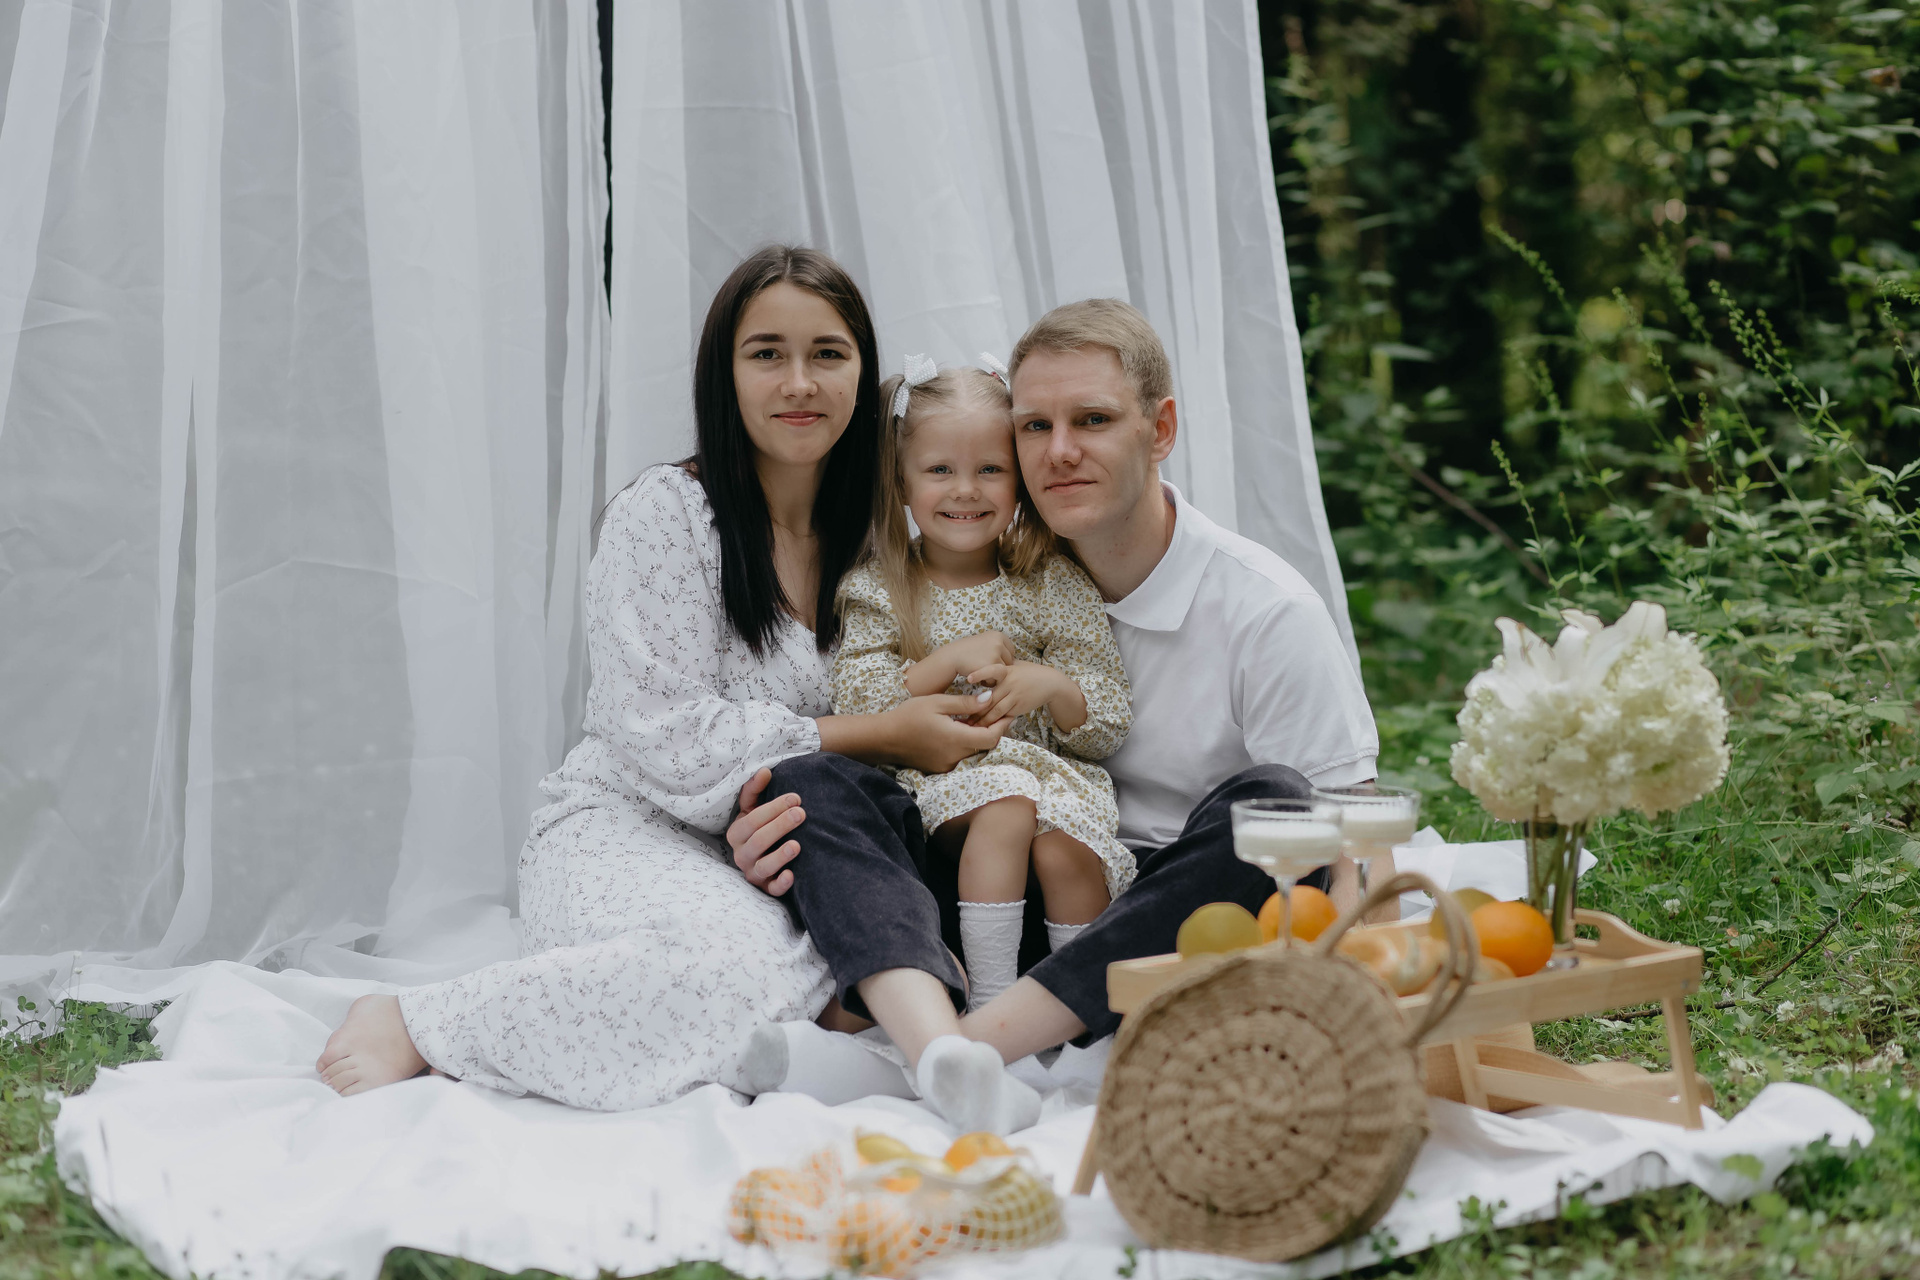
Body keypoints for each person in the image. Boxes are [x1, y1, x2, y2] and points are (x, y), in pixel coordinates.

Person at [314, 246, 1006, 1109]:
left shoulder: (884, 540)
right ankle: (424, 1021)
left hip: (797, 851)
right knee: (725, 971)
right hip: (630, 825)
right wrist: (875, 738)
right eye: (767, 354)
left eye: (828, 354)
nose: (799, 382)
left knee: (874, 953)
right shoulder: (666, 517)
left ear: (863, 374)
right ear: (725, 374)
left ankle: (816, 1053)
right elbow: (665, 736)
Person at [731, 298, 1378, 1120]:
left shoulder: (1266, 610)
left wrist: (1368, 1002)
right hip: (984, 888)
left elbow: (1354, 845)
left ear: (1160, 430)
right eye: (1035, 427)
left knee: (1284, 807)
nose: (1060, 452)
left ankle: (942, 1057)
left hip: (1156, 918)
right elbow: (871, 713)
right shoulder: (985, 564)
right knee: (813, 779)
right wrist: (781, 824)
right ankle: (955, 1046)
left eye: (1093, 420)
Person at [830, 356, 1133, 1013]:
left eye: (990, 469)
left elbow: (1109, 716)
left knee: (1068, 844)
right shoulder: (881, 588)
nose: (966, 490)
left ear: (1020, 479)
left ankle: (1079, 1013)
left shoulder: (1050, 582)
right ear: (901, 480)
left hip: (1049, 775)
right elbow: (856, 699)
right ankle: (994, 1007)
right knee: (1007, 804)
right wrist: (944, 662)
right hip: (940, 784)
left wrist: (1052, 686)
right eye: (940, 469)